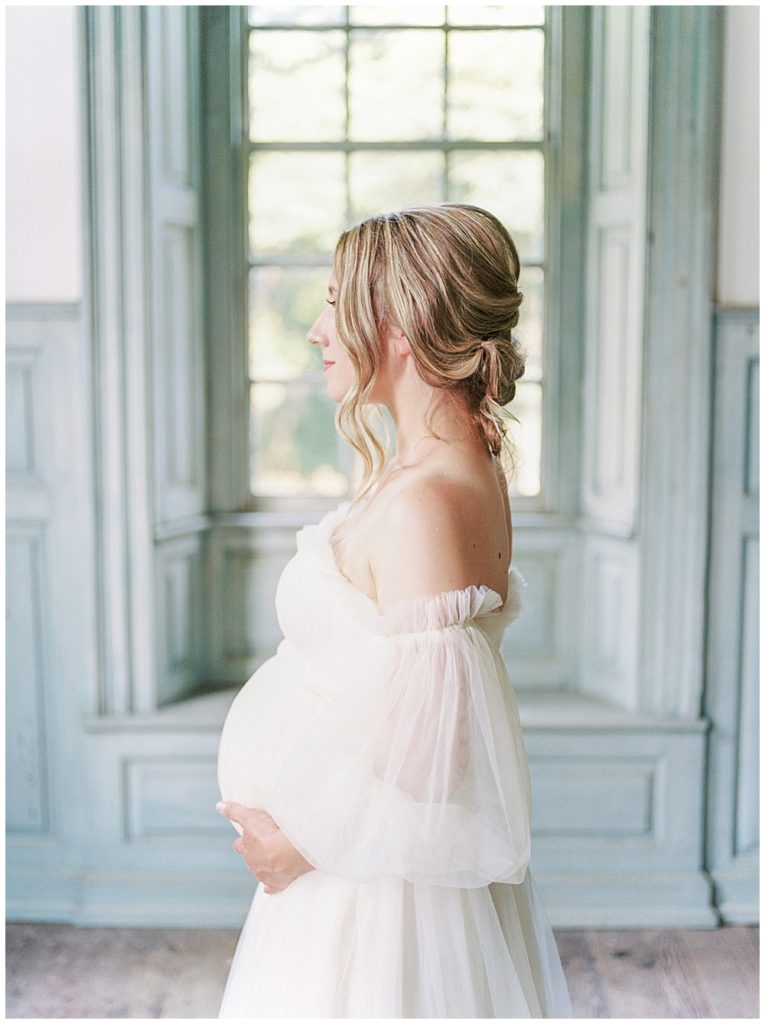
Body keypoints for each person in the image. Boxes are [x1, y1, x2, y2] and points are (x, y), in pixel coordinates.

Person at [215, 204, 573, 1017]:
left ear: (401, 324)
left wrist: (295, 847)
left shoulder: (427, 499)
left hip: (369, 895)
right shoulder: (433, 468)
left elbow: (433, 757)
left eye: (335, 302)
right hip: (350, 869)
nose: (315, 331)